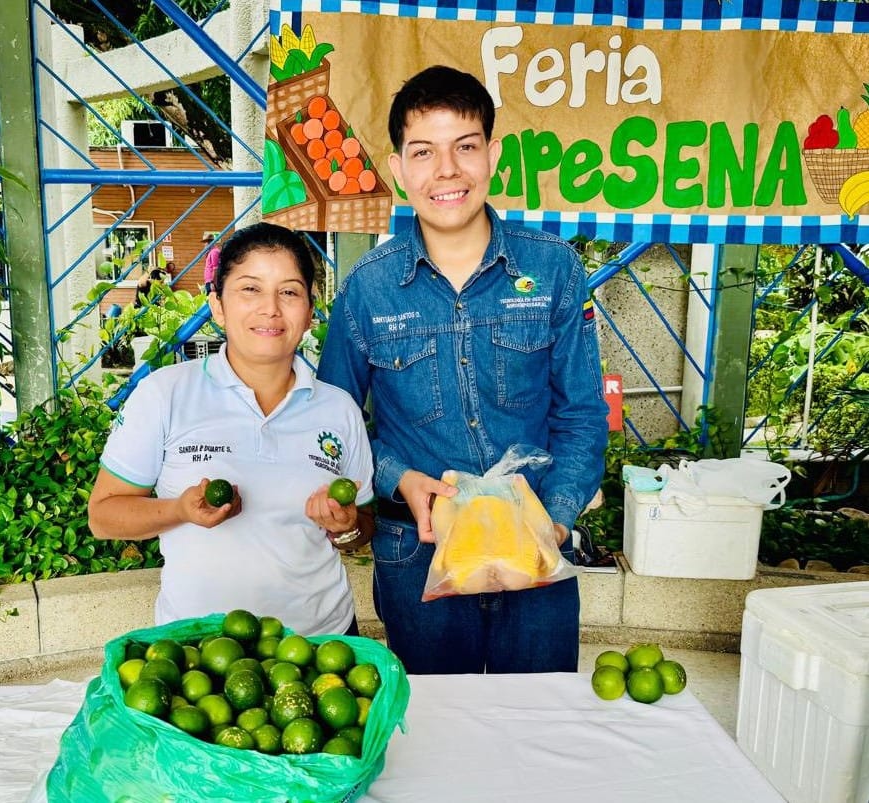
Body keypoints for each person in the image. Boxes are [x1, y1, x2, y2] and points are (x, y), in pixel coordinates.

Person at [316, 66, 608, 673]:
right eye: (423, 152)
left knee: (538, 731)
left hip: (535, 546)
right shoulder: (367, 290)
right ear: (398, 169)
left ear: (492, 155)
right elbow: (329, 429)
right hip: (415, 552)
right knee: (434, 740)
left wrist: (555, 517)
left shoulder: (554, 270)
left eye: (464, 147)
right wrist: (397, 476)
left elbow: (581, 414)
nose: (446, 171)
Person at [88, 222, 375, 635]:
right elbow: (103, 516)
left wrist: (345, 526)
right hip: (200, 656)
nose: (271, 309)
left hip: (321, 647)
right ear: (218, 306)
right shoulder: (165, 394)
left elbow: (361, 526)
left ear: (310, 312)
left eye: (289, 292)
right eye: (250, 289)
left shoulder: (339, 409)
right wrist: (179, 510)